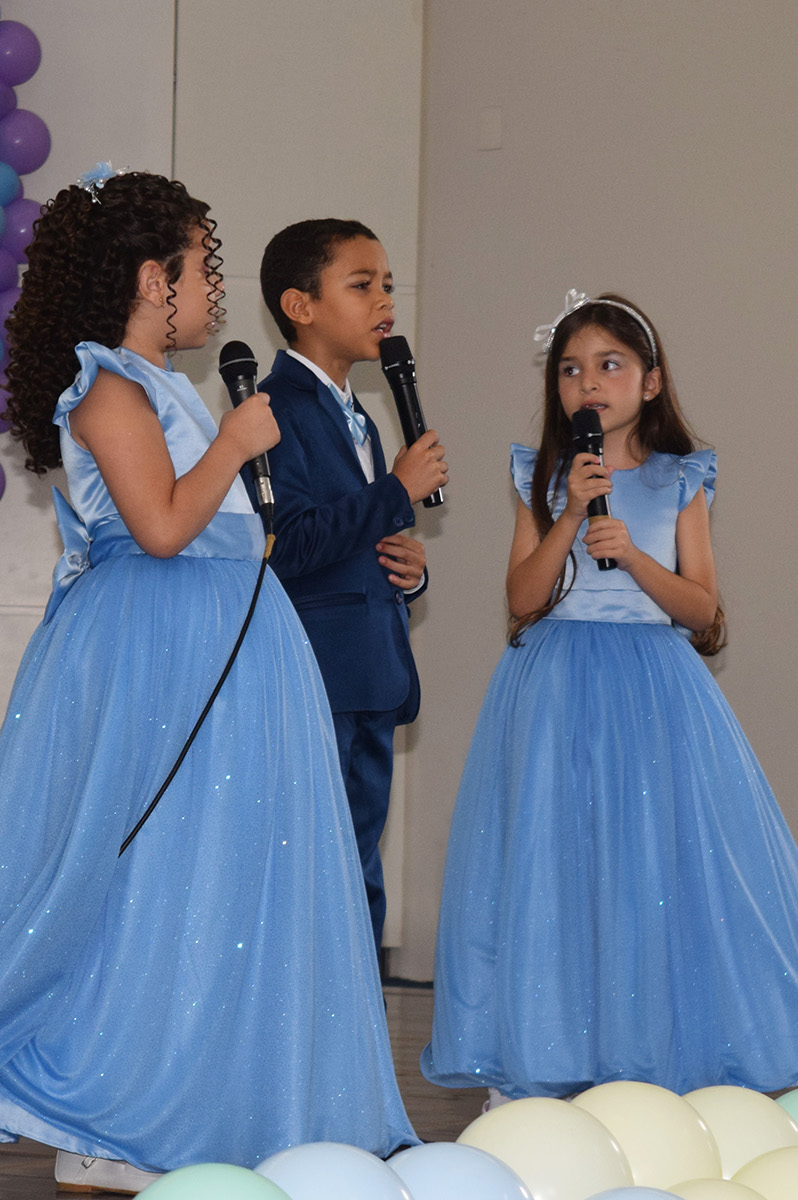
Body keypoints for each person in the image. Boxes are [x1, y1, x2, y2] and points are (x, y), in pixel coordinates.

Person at [0, 170, 416, 1194]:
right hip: (157, 653)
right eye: (202, 266)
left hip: (225, 644)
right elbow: (162, 526)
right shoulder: (109, 390)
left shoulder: (165, 386)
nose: (214, 287)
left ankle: (204, 1105)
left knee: (213, 882)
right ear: (149, 278)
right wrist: (235, 443)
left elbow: (228, 529)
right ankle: (104, 1120)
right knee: (149, 881)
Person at [421, 290, 798, 1106]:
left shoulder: (679, 479)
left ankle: (658, 1061)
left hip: (655, 696)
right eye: (570, 370)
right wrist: (568, 515)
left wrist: (631, 557)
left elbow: (703, 611)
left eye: (610, 365)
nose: (588, 383)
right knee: (555, 867)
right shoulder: (541, 475)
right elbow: (521, 599)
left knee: (655, 870)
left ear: (651, 382)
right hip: (556, 693)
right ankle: (542, 1061)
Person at [253, 219, 449, 954]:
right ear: (299, 306)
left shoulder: (356, 412)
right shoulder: (277, 409)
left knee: (358, 865)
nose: (385, 301)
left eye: (388, 285)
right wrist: (395, 490)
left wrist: (407, 569)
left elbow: (351, 537)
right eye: (362, 285)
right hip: (318, 674)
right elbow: (289, 544)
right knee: (316, 864)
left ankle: (356, 1014)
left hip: (370, 670)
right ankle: (312, 1011)